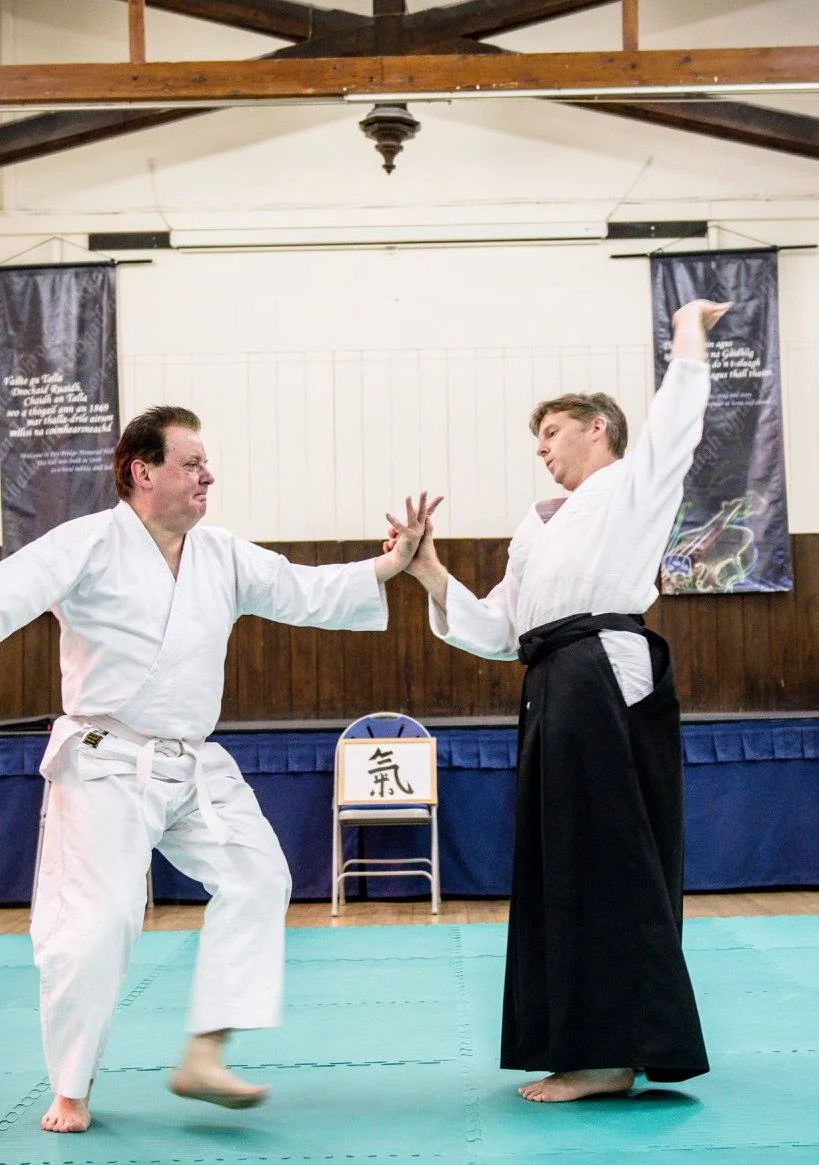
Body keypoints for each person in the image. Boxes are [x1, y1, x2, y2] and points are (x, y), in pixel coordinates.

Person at [0, 404, 440, 1134]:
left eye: (206, 463)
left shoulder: (222, 554)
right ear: (143, 472)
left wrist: (390, 563)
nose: (209, 474)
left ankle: (203, 1052)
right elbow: (9, 590)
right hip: (106, 764)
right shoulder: (85, 544)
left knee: (259, 874)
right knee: (101, 922)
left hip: (192, 761)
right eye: (191, 463)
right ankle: (71, 1088)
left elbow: (306, 592)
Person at [395, 299, 731, 1102]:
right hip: (550, 678)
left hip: (603, 672)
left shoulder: (631, 486)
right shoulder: (537, 524)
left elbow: (679, 415)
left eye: (552, 432)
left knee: (608, 861)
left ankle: (614, 1050)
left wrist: (686, 327)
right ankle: (580, 1040)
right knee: (560, 864)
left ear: (597, 430)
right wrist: (427, 571)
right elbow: (498, 626)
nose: (541, 449)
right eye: (536, 438)